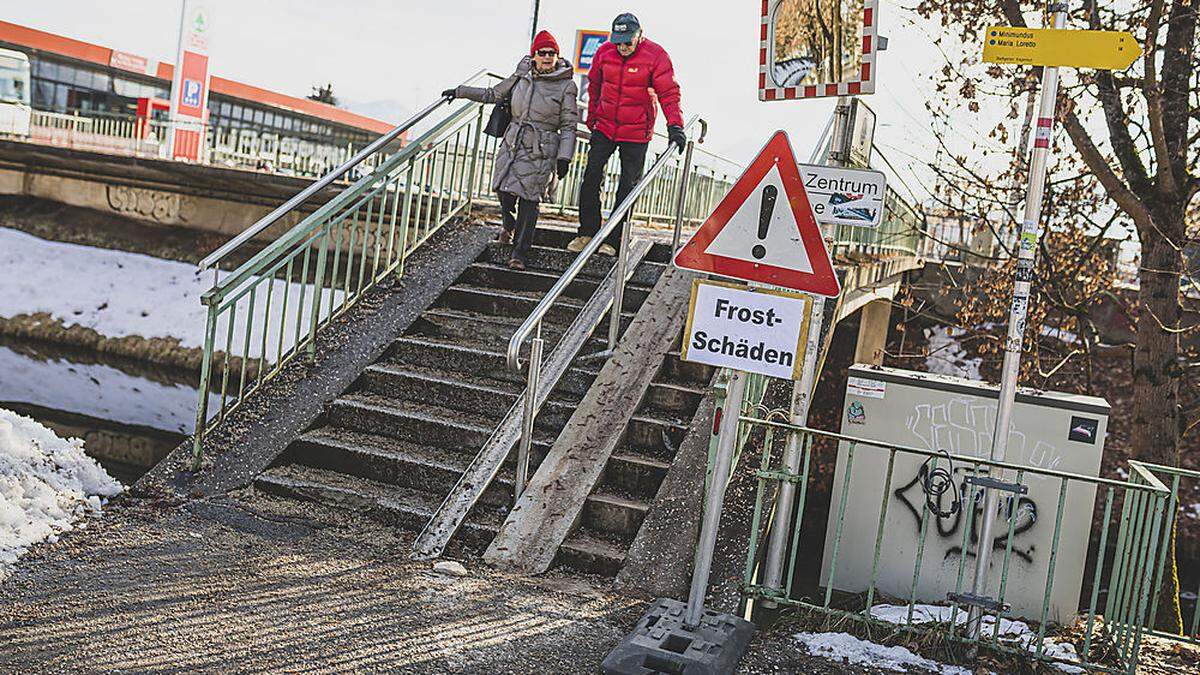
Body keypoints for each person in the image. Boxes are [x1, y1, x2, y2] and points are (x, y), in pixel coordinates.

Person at [442, 30, 578, 269]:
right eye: (542, 52)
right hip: (513, 140)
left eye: (552, 53)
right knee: (503, 189)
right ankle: (509, 222)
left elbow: (568, 124)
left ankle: (520, 252)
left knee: (529, 199)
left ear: (557, 56)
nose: (547, 57)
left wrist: (564, 157)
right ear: (533, 55)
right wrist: (460, 91)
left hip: (542, 147)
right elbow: (493, 94)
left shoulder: (567, 85)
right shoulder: (521, 76)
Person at [568, 12, 686, 256]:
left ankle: (613, 239)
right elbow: (595, 84)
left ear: (639, 35)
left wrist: (675, 125)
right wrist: (592, 117)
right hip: (606, 126)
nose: (622, 47)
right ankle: (587, 232)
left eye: (627, 42)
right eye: (618, 42)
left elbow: (669, 93)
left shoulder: (656, 55)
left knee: (627, 186)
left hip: (636, 132)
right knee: (591, 176)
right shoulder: (604, 52)